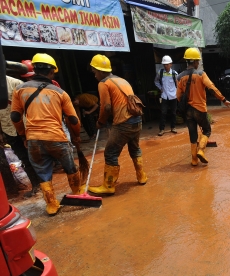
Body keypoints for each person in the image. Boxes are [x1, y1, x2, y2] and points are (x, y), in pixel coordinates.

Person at [10, 53, 83, 215]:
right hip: (57, 137)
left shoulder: (19, 90)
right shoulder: (60, 92)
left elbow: (15, 116)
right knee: (70, 167)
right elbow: (73, 119)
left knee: (43, 172)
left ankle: (51, 205)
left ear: (34, 69)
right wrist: (77, 135)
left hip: (34, 139)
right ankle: (78, 194)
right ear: (52, 72)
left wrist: (23, 135)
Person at [87, 54, 148, 195]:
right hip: (136, 121)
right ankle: (141, 176)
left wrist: (100, 122)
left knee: (110, 153)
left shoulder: (103, 83)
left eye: (94, 71)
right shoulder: (122, 80)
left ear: (100, 71)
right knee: (135, 148)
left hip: (123, 123)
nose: (94, 75)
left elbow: (106, 107)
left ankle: (108, 185)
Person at [176, 48, 230, 166]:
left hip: (188, 111)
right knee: (207, 130)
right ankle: (201, 150)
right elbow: (211, 88)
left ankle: (194, 160)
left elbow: (178, 96)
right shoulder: (201, 74)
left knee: (193, 134)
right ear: (196, 61)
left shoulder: (180, 77)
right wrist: (223, 99)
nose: (198, 63)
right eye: (198, 61)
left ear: (187, 61)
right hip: (200, 109)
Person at [0, 74, 41, 196]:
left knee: (35, 154)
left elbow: (30, 106)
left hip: (25, 125)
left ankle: (44, 182)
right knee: (22, 157)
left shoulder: (15, 83)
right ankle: (36, 184)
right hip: (8, 128)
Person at [154, 55, 179, 137]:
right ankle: (162, 129)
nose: (165, 66)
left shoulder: (175, 74)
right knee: (163, 113)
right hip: (164, 96)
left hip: (173, 96)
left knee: (173, 113)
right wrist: (160, 88)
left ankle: (173, 127)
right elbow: (156, 81)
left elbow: (178, 84)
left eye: (167, 64)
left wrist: (178, 92)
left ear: (171, 64)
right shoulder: (160, 72)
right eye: (164, 64)